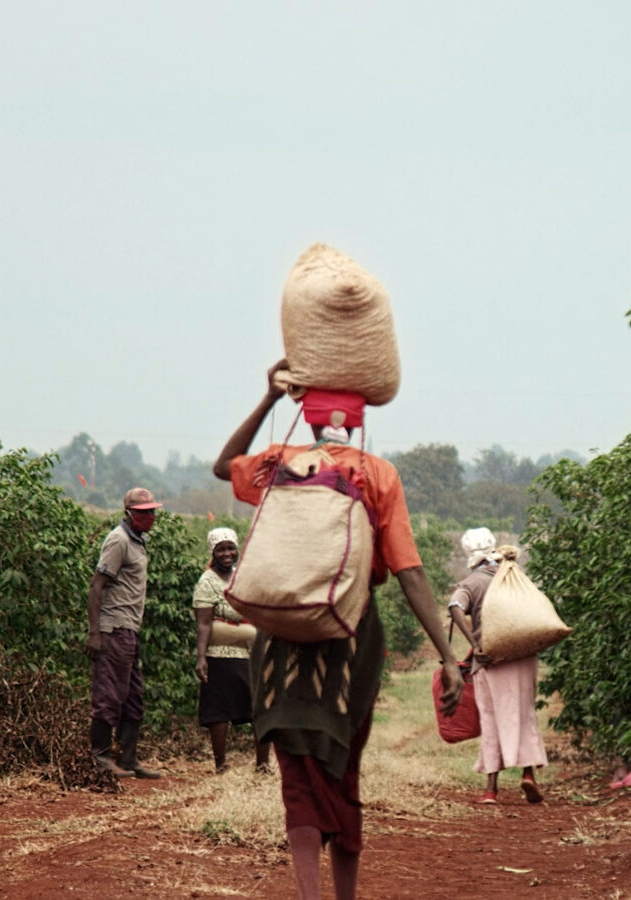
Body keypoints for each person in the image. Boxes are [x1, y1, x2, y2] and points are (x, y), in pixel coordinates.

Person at [214, 359, 464, 900]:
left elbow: (223, 465)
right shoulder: (377, 475)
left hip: (282, 640)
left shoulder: (281, 463)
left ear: (306, 420)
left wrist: (266, 399)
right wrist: (447, 653)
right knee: (343, 773)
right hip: (352, 641)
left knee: (297, 781)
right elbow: (409, 571)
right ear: (355, 423)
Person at [447, 528, 550, 804]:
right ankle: (528, 775)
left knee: (491, 719)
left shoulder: (472, 582)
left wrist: (475, 643)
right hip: (523, 656)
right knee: (524, 713)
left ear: (470, 554)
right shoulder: (515, 576)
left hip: (491, 661)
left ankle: (491, 790)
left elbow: (455, 607)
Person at [84, 486, 163, 779]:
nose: (149, 516)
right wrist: (95, 633)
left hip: (129, 628)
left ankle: (128, 759)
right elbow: (96, 586)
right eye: (143, 512)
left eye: (152, 511)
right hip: (114, 628)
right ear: (128, 513)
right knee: (110, 694)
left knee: (132, 697)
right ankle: (100, 759)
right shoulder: (118, 540)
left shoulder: (138, 542)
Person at [192, 525, 271, 773]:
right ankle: (221, 764)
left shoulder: (243, 576)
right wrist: (201, 657)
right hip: (220, 656)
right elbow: (204, 622)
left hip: (250, 653)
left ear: (237, 550)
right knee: (219, 709)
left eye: (230, 548)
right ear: (212, 552)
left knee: (261, 706)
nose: (226, 554)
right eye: (221, 550)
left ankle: (263, 764)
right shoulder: (207, 582)